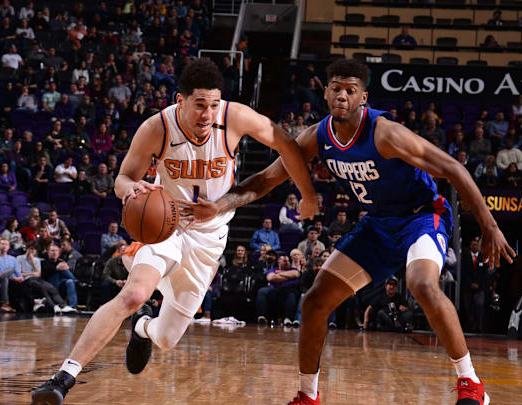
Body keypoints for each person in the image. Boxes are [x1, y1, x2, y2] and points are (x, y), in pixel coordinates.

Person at [182, 59, 514, 405]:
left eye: (350, 91)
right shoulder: (318, 136)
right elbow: (265, 179)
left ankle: (471, 382)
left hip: (420, 217)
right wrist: (218, 206)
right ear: (325, 92)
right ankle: (308, 395)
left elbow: (453, 168)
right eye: (336, 88)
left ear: (363, 98)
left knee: (422, 283)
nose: (342, 95)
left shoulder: (386, 133)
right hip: (377, 224)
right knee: (314, 302)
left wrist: (490, 226)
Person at [31, 59, 316, 405]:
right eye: (199, 105)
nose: (207, 113)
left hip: (210, 238)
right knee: (134, 294)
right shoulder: (157, 127)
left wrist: (307, 194)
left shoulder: (236, 118)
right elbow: (124, 177)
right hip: (168, 224)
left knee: (166, 338)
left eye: (213, 104)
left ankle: (142, 328)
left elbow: (288, 144)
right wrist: (130, 191)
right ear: (180, 101)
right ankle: (63, 378)